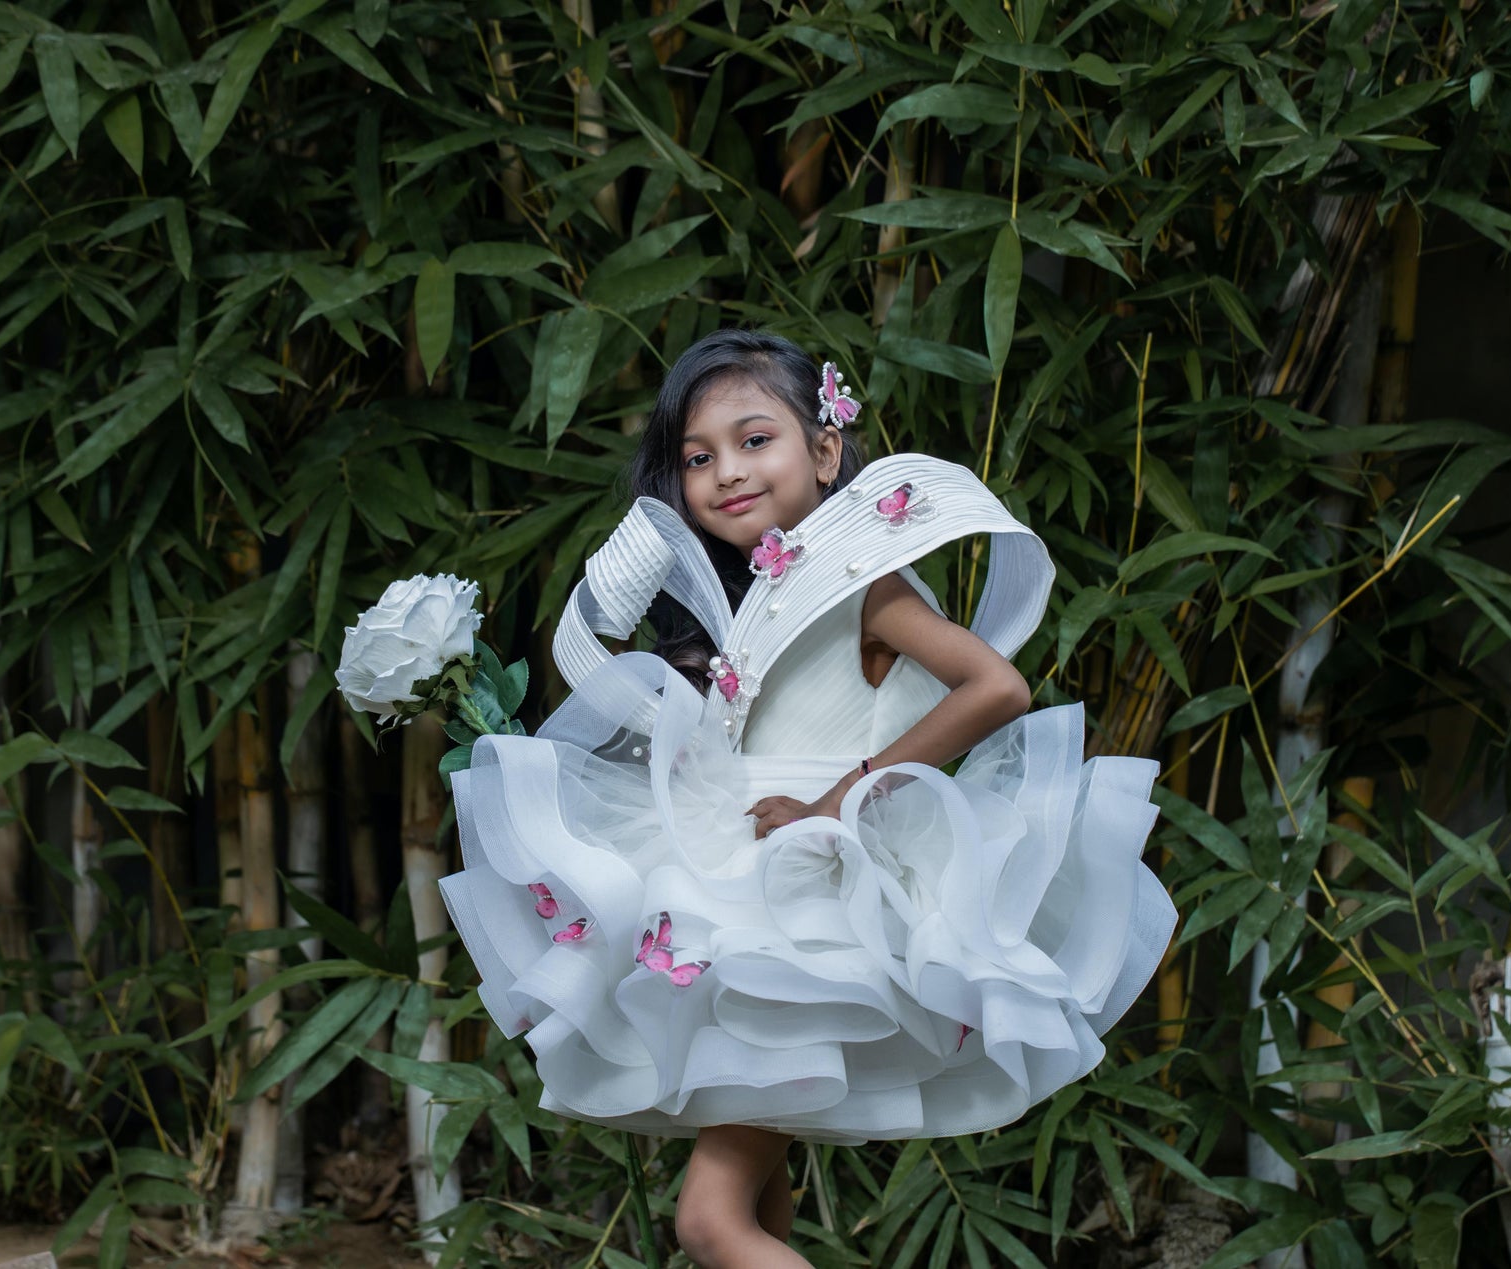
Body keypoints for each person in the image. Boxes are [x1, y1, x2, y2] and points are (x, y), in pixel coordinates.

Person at [438, 328, 1176, 1269]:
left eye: (755, 441)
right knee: (756, 1194)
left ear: (826, 452)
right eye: (697, 458)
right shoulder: (747, 609)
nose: (725, 473)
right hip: (730, 881)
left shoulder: (867, 592)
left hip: (809, 895)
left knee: (709, 1221)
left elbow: (998, 687)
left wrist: (843, 798)